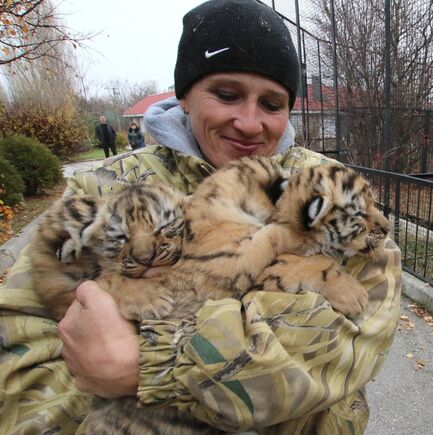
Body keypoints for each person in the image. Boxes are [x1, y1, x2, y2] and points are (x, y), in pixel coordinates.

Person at [0, 1, 402, 434]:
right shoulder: (105, 188)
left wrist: (147, 369)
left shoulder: (333, 188)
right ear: (185, 96)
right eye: (226, 95)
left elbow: (351, 344)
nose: (250, 123)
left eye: (272, 103)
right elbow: (22, 356)